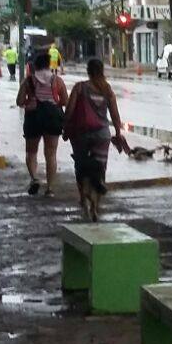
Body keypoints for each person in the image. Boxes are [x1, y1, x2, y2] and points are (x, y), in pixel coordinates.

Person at [63, 58, 127, 221]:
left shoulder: (80, 87)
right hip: (102, 134)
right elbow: (114, 113)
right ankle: (96, 207)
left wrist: (66, 126)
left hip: (81, 133)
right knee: (99, 169)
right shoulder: (107, 89)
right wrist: (118, 132)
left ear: (88, 71)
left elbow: (69, 110)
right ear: (102, 71)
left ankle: (83, 198)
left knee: (81, 166)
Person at [16, 51, 66, 196]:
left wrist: (28, 101)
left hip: (33, 117)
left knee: (31, 152)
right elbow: (65, 101)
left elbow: (19, 101)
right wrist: (53, 103)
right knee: (51, 154)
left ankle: (35, 178)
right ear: (49, 65)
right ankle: (50, 188)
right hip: (52, 118)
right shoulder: (57, 80)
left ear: (35, 66)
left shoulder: (28, 80)